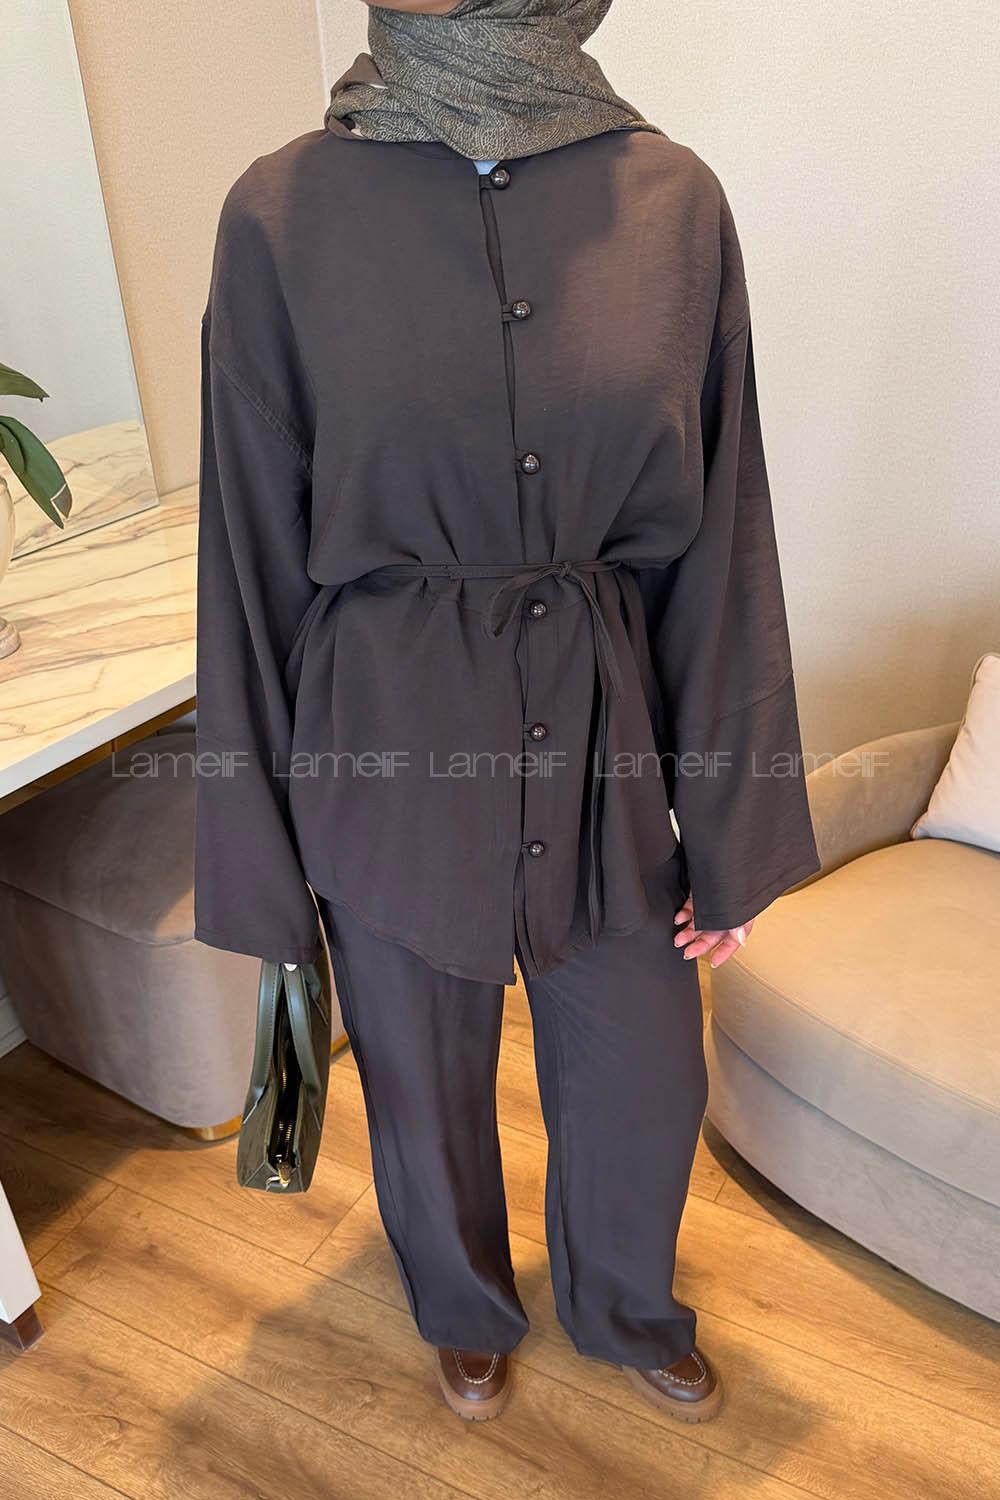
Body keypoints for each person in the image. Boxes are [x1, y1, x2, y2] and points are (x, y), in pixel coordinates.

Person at [194, 0, 820, 1424]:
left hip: (604, 726)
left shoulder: (672, 203)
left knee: (644, 1066)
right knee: (417, 1071)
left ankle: (625, 1302)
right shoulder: (281, 213)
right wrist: (266, 860)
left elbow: (722, 540)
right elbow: (249, 554)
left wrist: (728, 836)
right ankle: (464, 1306)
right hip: (386, 729)